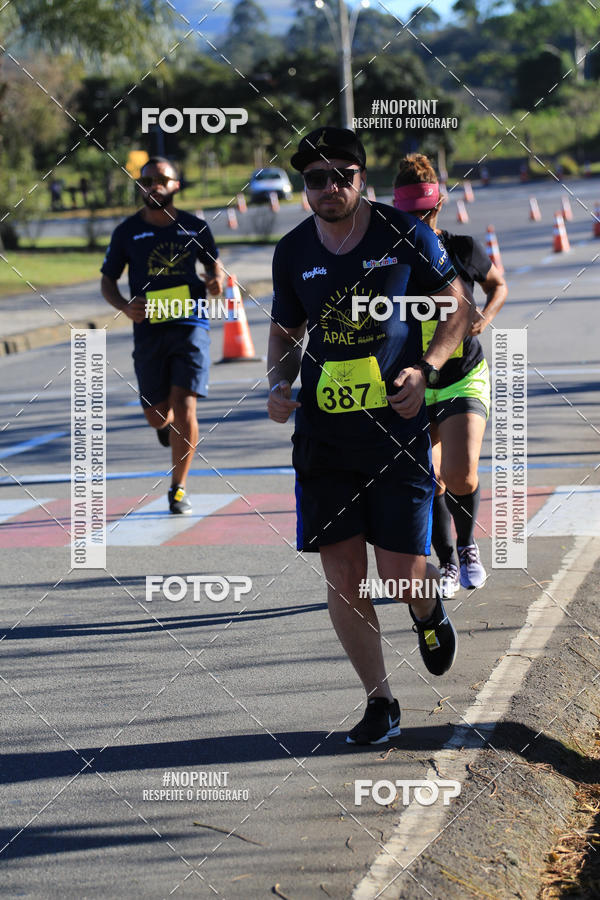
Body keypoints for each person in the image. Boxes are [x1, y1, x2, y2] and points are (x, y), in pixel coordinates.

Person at [268, 127, 470, 745]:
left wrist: (427, 366)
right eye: (315, 179)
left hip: (395, 429)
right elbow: (284, 329)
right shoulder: (292, 249)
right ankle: (380, 700)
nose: (328, 188)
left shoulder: (407, 235)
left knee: (405, 572)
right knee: (343, 575)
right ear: (304, 189)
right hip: (324, 435)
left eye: (341, 176)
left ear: (362, 180)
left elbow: (456, 307)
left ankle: (428, 610)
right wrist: (276, 384)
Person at [393, 153, 507, 597]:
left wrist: (485, 317)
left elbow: (498, 285)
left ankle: (468, 547)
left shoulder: (463, 249)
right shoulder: (390, 262)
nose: (419, 220)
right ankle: (447, 562)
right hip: (413, 382)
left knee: (459, 475)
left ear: (437, 207)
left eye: (426, 213)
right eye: (410, 215)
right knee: (427, 477)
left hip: (462, 375)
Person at [101, 156, 224, 514]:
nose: (153, 185)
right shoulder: (126, 232)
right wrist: (124, 306)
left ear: (175, 186)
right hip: (149, 331)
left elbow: (213, 263)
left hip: (190, 325)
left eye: (161, 179)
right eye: (146, 180)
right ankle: (164, 426)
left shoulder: (194, 226)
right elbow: (107, 280)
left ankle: (178, 487)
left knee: (186, 406)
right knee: (157, 415)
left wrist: (215, 281)